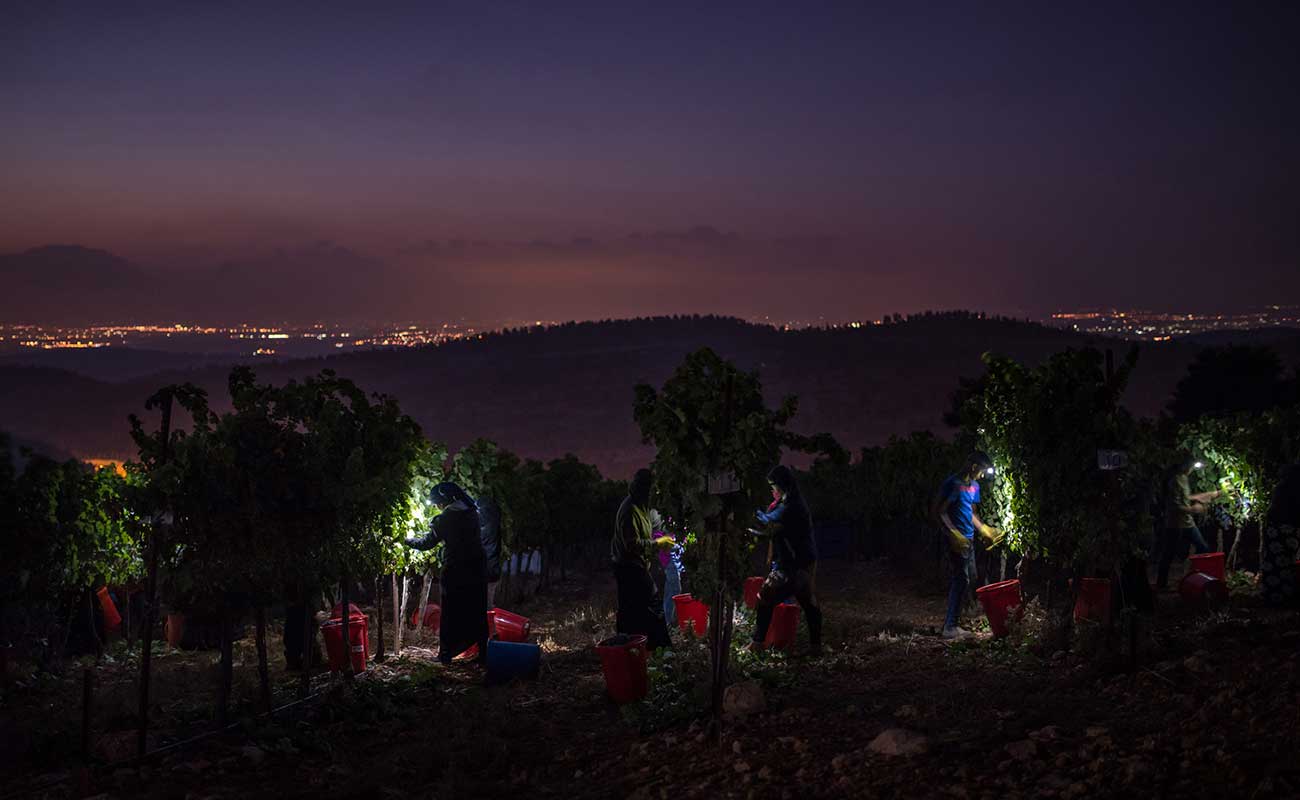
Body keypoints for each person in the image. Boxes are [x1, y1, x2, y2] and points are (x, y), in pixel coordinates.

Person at [405, 481, 489, 665]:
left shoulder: (446, 518)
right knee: (477, 610)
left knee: (450, 613)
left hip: (456, 570)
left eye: (437, 503)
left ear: (446, 501)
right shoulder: (473, 512)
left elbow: (426, 543)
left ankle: (445, 655)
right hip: (478, 568)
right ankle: (483, 654)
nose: (437, 506)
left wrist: (407, 540)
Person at [747, 465, 823, 656]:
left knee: (765, 597)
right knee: (807, 600)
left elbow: (767, 522)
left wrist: (747, 509)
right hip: (802, 561)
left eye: (773, 485)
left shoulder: (791, 507)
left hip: (793, 564)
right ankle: (816, 647)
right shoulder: (789, 502)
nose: (771, 490)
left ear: (782, 485)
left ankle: (757, 644)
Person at [932, 452, 1003, 640]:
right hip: (956, 541)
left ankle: (958, 618)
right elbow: (939, 511)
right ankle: (950, 626)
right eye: (982, 471)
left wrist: (984, 530)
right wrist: (953, 533)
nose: (982, 475)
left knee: (971, 577)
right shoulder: (952, 484)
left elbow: (971, 512)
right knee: (961, 579)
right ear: (974, 467)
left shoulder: (974, 486)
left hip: (968, 540)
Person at [611, 469, 672, 649]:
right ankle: (661, 647)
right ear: (644, 489)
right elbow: (632, 545)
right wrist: (659, 543)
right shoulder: (629, 510)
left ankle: (634, 646)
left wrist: (668, 533)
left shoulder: (645, 506)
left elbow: (657, 524)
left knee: (631, 609)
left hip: (635, 563)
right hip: (627, 564)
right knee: (652, 602)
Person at [1155, 455, 1222, 590]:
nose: (1192, 469)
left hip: (1187, 522)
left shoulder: (1183, 478)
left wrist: (1207, 495)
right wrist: (1193, 509)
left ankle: (1198, 578)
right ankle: (1161, 585)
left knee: (1203, 548)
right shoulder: (1174, 480)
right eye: (1192, 466)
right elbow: (1174, 506)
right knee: (1169, 553)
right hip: (1175, 524)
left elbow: (1184, 497)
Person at [1260, 464, 1300, 608]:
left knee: (1273, 562)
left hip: (1274, 528)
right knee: (1285, 563)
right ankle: (1282, 596)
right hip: (1286, 529)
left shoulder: (1281, 487)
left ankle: (1272, 595)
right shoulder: (1294, 489)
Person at [656, 527, 686, 627]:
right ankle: (667, 622)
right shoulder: (663, 525)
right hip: (670, 560)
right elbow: (658, 536)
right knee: (675, 590)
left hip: (674, 560)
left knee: (669, 592)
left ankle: (665, 621)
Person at [477, 494, 503, 608]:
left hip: (483, 572)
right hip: (492, 572)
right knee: (487, 604)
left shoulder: (483, 529)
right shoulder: (494, 523)